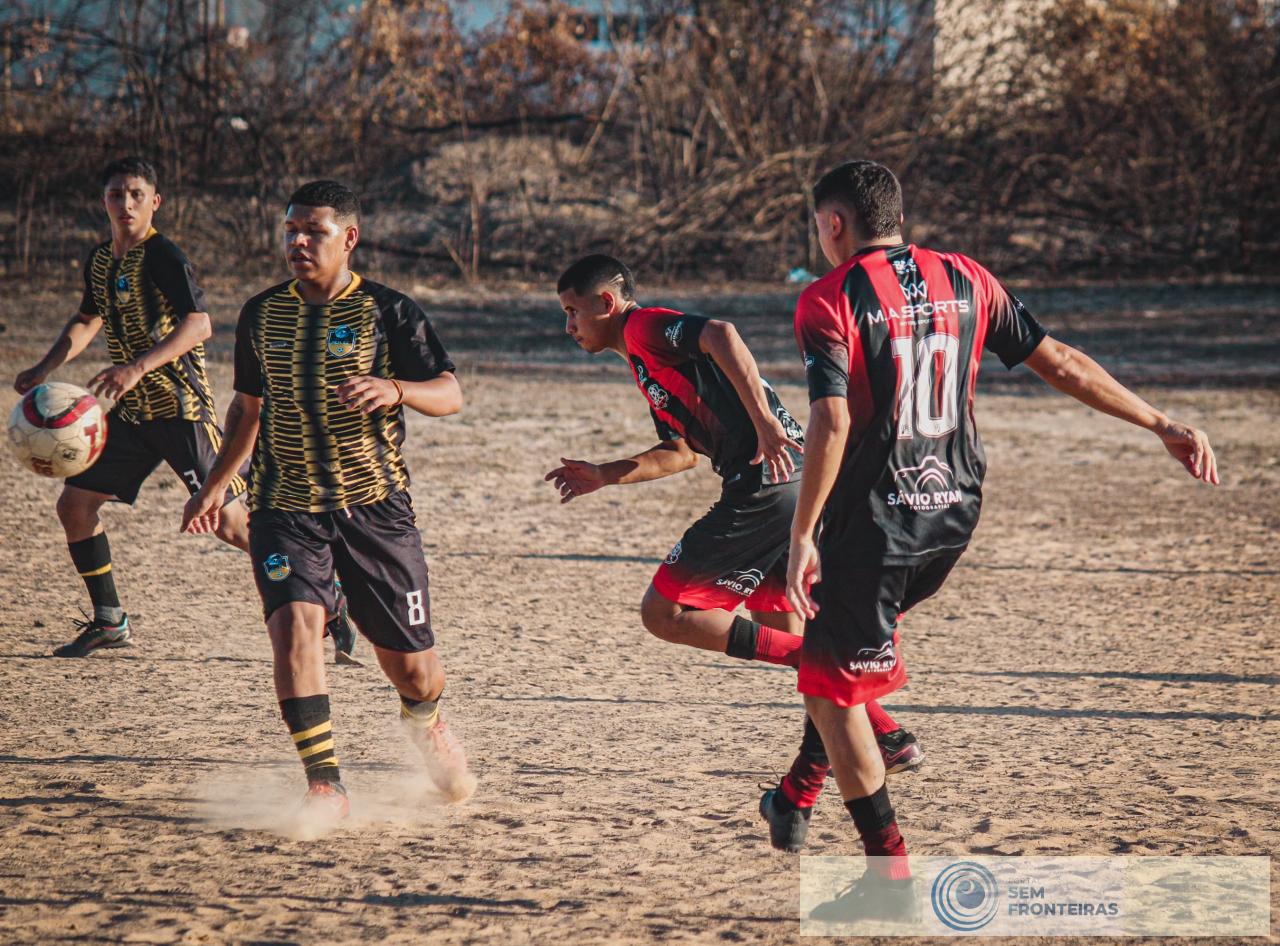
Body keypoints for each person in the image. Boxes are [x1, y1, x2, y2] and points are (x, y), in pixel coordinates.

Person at [774, 160, 1217, 917]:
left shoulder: (828, 298)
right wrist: (1160, 423)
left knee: (830, 688)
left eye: (819, 225)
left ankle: (890, 884)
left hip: (879, 524)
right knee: (839, 658)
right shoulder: (968, 278)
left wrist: (802, 532)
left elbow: (833, 419)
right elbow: (1064, 362)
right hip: (952, 516)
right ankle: (797, 792)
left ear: (835, 224)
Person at [548, 255, 924, 850]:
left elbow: (722, 333)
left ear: (605, 303)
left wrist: (766, 426)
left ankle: (839, 680)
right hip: (794, 488)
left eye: (572, 311)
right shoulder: (645, 365)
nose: (568, 326)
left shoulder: (646, 328)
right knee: (775, 623)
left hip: (768, 489)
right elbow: (679, 452)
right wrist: (605, 473)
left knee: (663, 613)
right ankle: (857, 749)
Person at [181, 180, 474, 817]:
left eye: (312, 232)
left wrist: (396, 388)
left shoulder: (388, 312)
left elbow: (450, 392)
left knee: (415, 671)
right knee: (294, 630)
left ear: (350, 238)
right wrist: (214, 487)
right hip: (282, 506)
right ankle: (325, 784)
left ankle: (425, 724)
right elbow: (247, 409)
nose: (297, 243)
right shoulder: (261, 314)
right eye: (290, 230)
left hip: (374, 508)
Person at [12, 157, 360, 659]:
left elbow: (200, 324)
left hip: (180, 410)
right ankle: (110, 621)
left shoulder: (164, 257)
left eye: (136, 194)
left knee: (232, 525)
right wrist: (45, 366)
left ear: (155, 202)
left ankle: (332, 599)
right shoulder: (101, 260)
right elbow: (88, 318)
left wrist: (135, 368)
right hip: (132, 416)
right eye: (115, 194)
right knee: (74, 505)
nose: (125, 204)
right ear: (104, 201)